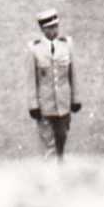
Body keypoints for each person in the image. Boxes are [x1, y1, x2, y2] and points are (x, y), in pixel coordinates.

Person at [26, 8, 81, 160]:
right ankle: (51, 178)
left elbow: (73, 74)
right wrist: (33, 105)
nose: (54, 31)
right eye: (50, 28)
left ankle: (60, 173)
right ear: (43, 29)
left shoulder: (66, 46)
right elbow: (31, 80)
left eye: (56, 26)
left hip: (63, 105)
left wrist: (75, 99)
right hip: (45, 106)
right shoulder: (34, 50)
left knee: (61, 140)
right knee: (49, 145)